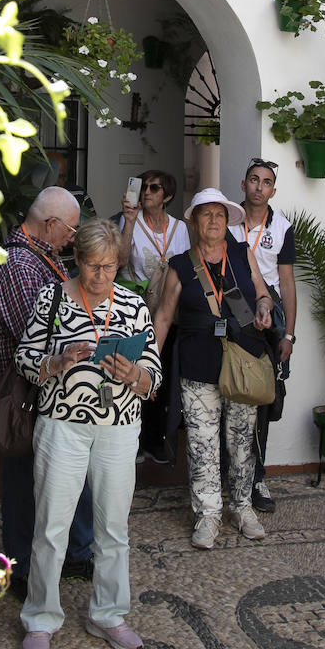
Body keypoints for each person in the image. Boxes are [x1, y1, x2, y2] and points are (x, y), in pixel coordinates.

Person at [14, 218, 161, 649]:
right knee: (52, 528)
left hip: (119, 427)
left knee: (114, 529)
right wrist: (58, 361)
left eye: (110, 266)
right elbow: (25, 359)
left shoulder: (134, 305)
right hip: (62, 426)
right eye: (93, 266)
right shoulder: (53, 299)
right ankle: (40, 619)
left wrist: (134, 374)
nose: (101, 276)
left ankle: (108, 615)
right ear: (76, 260)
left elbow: (153, 378)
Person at [0, 187, 93, 599]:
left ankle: (71, 555)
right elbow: (35, 338)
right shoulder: (19, 265)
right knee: (22, 483)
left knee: (58, 477)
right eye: (70, 229)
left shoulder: (40, 258)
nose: (73, 238)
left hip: (50, 391)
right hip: (26, 395)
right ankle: (20, 569)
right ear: (50, 225)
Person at [153, 187, 274, 549]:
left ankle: (241, 507)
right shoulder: (179, 265)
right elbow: (162, 316)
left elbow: (262, 290)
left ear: (227, 220)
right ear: (193, 221)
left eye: (219, 215)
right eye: (206, 214)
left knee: (241, 441)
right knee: (202, 445)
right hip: (198, 365)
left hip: (242, 364)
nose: (213, 221)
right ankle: (208, 514)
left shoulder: (241, 253)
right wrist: (152, 365)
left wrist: (265, 307)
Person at [228, 157, 297, 513]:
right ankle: (227, 477)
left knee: (262, 400)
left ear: (273, 190)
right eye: (253, 179)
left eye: (266, 182)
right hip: (230, 315)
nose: (258, 186)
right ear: (243, 185)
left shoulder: (283, 228)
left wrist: (290, 336)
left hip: (267, 324)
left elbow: (286, 283)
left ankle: (257, 477)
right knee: (227, 396)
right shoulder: (225, 222)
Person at [117, 169, 190, 464]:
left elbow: (185, 267)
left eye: (154, 188)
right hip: (137, 311)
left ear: (167, 196)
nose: (146, 191)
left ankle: (156, 440)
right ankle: (133, 440)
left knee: (163, 377)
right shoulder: (127, 220)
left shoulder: (179, 228)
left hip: (169, 314)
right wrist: (130, 223)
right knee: (133, 374)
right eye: (144, 186)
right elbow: (120, 261)